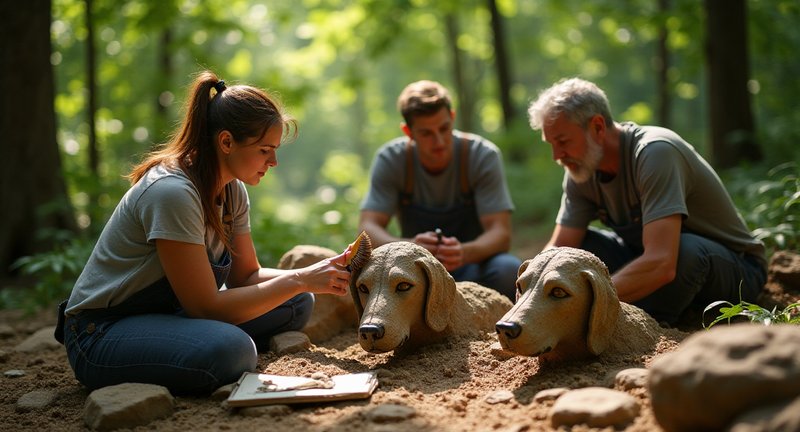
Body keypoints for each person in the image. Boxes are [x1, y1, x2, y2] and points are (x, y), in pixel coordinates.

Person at [57, 71, 353, 395]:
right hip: (101, 332)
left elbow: (247, 276)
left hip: (170, 313)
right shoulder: (172, 193)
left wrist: (313, 276)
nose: (274, 161)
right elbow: (205, 308)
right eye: (265, 150)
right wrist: (299, 278)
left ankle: (188, 349)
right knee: (234, 350)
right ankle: (202, 353)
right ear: (226, 142)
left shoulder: (232, 190)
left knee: (297, 302)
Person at [526, 77, 767, 325]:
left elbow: (662, 262)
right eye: (551, 144)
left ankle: (647, 322)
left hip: (735, 270)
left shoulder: (655, 153)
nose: (557, 156)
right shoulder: (581, 170)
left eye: (563, 142)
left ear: (597, 127)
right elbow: (559, 246)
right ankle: (639, 308)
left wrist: (587, 301)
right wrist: (530, 299)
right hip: (649, 258)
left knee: (687, 250)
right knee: (569, 255)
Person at [359, 80, 521, 301]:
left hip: (471, 269)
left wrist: (464, 252)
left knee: (508, 270)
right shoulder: (391, 160)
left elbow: (501, 234)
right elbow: (368, 228)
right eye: (426, 133)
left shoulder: (481, 155)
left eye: (444, 128)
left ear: (452, 118)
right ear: (408, 132)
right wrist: (410, 247)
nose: (439, 141)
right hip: (414, 275)